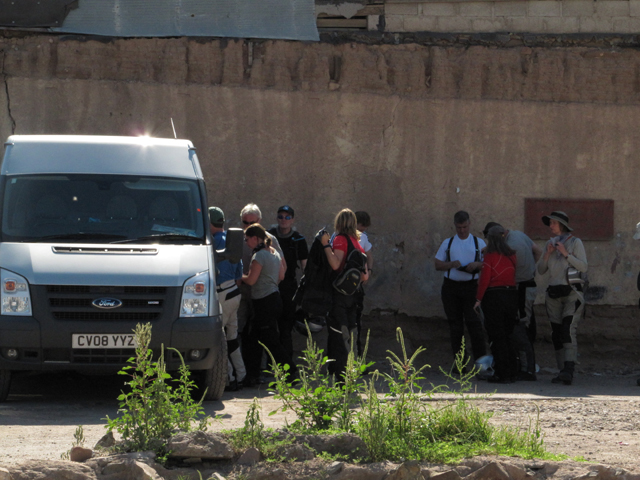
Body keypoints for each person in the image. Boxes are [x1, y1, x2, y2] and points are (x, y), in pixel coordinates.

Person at [483, 222, 542, 381]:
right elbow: (537, 251)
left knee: (519, 328)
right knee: (522, 326)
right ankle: (524, 368)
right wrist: (530, 270)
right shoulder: (519, 235)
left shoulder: (509, 246)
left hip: (520, 288)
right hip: (527, 285)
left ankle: (527, 369)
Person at [537, 211, 588, 386]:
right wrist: (547, 254)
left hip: (572, 292)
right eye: (549, 223)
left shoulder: (575, 242)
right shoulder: (548, 244)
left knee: (568, 329)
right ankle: (562, 371)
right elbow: (541, 270)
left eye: (553, 223)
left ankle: (569, 369)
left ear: (562, 225)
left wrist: (566, 253)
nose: (550, 226)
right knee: (557, 333)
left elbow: (583, 266)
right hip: (553, 294)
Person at [242, 223, 296, 384]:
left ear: (255, 238)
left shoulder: (259, 256)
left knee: (270, 340)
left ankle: (291, 371)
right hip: (274, 299)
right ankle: (252, 375)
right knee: (255, 338)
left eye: (247, 240)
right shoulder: (274, 253)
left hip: (263, 302)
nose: (246, 243)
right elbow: (281, 275)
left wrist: (240, 276)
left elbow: (251, 280)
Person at [434, 211, 487, 370]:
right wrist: (451, 264)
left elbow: (489, 264)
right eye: (459, 227)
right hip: (451, 288)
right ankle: (459, 365)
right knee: (455, 326)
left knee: (475, 325)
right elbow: (437, 264)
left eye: (464, 227)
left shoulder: (479, 243)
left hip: (471, 287)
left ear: (469, 224)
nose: (462, 230)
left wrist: (477, 265)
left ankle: (480, 364)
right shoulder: (448, 243)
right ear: (455, 226)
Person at [320, 209, 369, 376]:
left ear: (339, 223)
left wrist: (326, 244)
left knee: (340, 334)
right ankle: (351, 370)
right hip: (353, 296)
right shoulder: (357, 242)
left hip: (339, 295)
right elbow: (365, 276)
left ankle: (341, 374)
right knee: (351, 333)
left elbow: (335, 264)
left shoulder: (341, 240)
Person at [474, 225, 519, 384]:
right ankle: (513, 371)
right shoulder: (512, 255)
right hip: (512, 295)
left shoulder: (490, 256)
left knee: (497, 336)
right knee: (508, 336)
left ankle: (501, 373)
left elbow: (484, 280)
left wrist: (478, 300)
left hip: (494, 297)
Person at [209, 206, 246, 391]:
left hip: (222, 292)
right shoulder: (232, 240)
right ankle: (241, 375)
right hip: (234, 292)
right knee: (232, 338)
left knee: (218, 338)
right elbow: (240, 275)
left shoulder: (213, 242)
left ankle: (229, 377)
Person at [268, 205, 309, 358]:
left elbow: (305, 266)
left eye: (287, 217)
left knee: (286, 327)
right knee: (271, 326)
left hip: (289, 287)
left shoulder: (298, 239)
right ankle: (271, 363)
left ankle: (286, 364)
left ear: (292, 220)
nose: (283, 220)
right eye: (280, 217)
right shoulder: (270, 236)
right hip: (270, 285)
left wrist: (306, 290)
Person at [355, 211, 373, 356]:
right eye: (361, 228)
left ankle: (358, 356)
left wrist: (369, 271)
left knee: (357, 323)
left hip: (357, 284)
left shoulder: (364, 238)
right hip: (343, 285)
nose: (362, 231)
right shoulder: (341, 237)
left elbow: (369, 256)